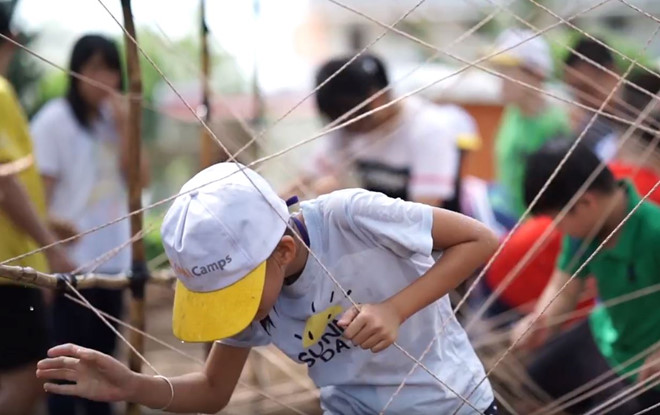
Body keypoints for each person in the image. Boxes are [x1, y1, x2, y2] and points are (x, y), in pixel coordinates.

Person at [38, 162, 500, 414]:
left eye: (234, 293)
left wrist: (396, 309)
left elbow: (479, 239)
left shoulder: (351, 217)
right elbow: (213, 389)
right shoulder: (248, 300)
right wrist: (132, 386)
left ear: (282, 251)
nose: (233, 311)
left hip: (454, 404)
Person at [30, 34, 149, 415]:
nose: (104, 79)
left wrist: (127, 124)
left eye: (111, 70)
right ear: (76, 71)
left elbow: (140, 180)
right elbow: (37, 196)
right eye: (94, 68)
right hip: (70, 264)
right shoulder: (55, 120)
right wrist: (49, 245)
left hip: (113, 261)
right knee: (64, 372)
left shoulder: (114, 121)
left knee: (104, 371)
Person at [511, 140, 660, 414]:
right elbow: (564, 287)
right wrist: (539, 321)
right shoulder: (585, 230)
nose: (558, 229)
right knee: (533, 380)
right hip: (606, 334)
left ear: (585, 202)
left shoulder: (654, 230)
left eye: (557, 220)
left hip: (647, 363)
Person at [287, 54, 481, 212]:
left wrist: (347, 206)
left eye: (348, 117)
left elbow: (425, 215)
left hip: (432, 237)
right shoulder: (347, 127)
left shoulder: (428, 129)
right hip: (383, 230)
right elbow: (304, 183)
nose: (345, 127)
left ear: (377, 100)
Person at [0, 8, 75, 415]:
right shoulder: (0, 92)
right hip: (9, 268)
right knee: (32, 373)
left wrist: (49, 226)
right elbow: (4, 183)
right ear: (11, 39)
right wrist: (51, 248)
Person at [490, 28, 571, 219]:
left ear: (537, 75)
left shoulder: (554, 125)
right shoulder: (512, 112)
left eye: (508, 72)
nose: (500, 79)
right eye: (499, 71)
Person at [563, 36, 621, 160]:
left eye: (586, 89)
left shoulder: (644, 121)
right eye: (574, 92)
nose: (581, 99)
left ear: (612, 75)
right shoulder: (583, 130)